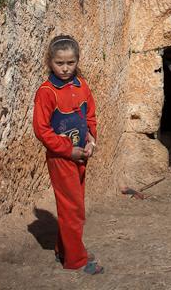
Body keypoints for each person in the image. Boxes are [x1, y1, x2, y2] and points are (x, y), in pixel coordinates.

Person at [32, 35, 104, 275]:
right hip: (62, 159)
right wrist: (67, 150)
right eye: (60, 63)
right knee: (72, 209)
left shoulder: (81, 85)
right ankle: (76, 260)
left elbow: (89, 114)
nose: (65, 68)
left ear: (77, 61)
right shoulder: (46, 92)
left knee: (74, 206)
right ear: (50, 62)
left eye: (70, 63)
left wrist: (91, 140)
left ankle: (65, 249)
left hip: (81, 155)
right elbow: (41, 129)